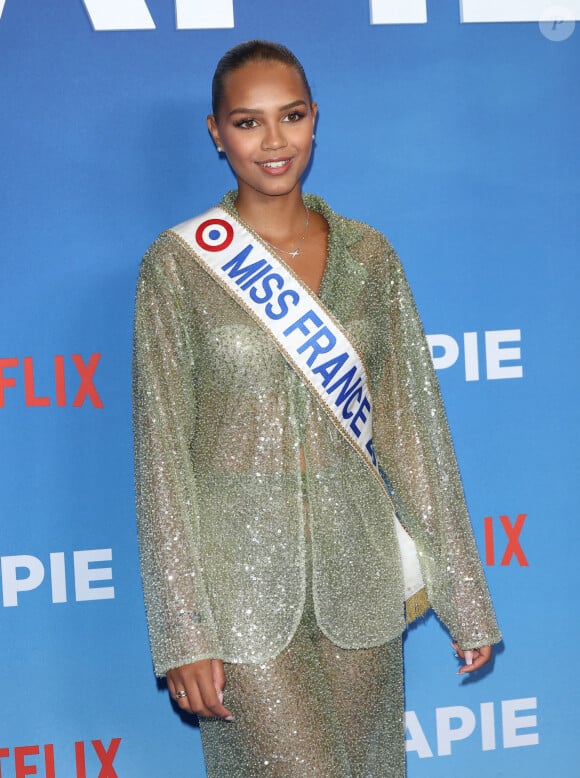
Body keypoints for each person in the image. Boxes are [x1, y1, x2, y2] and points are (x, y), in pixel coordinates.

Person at [133, 40, 501, 778]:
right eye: (248, 122)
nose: (274, 142)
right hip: (236, 593)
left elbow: (416, 435)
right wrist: (181, 633)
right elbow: (161, 458)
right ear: (215, 131)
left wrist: (466, 598)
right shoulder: (177, 266)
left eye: (291, 116)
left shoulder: (370, 258)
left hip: (360, 583)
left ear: (314, 119)